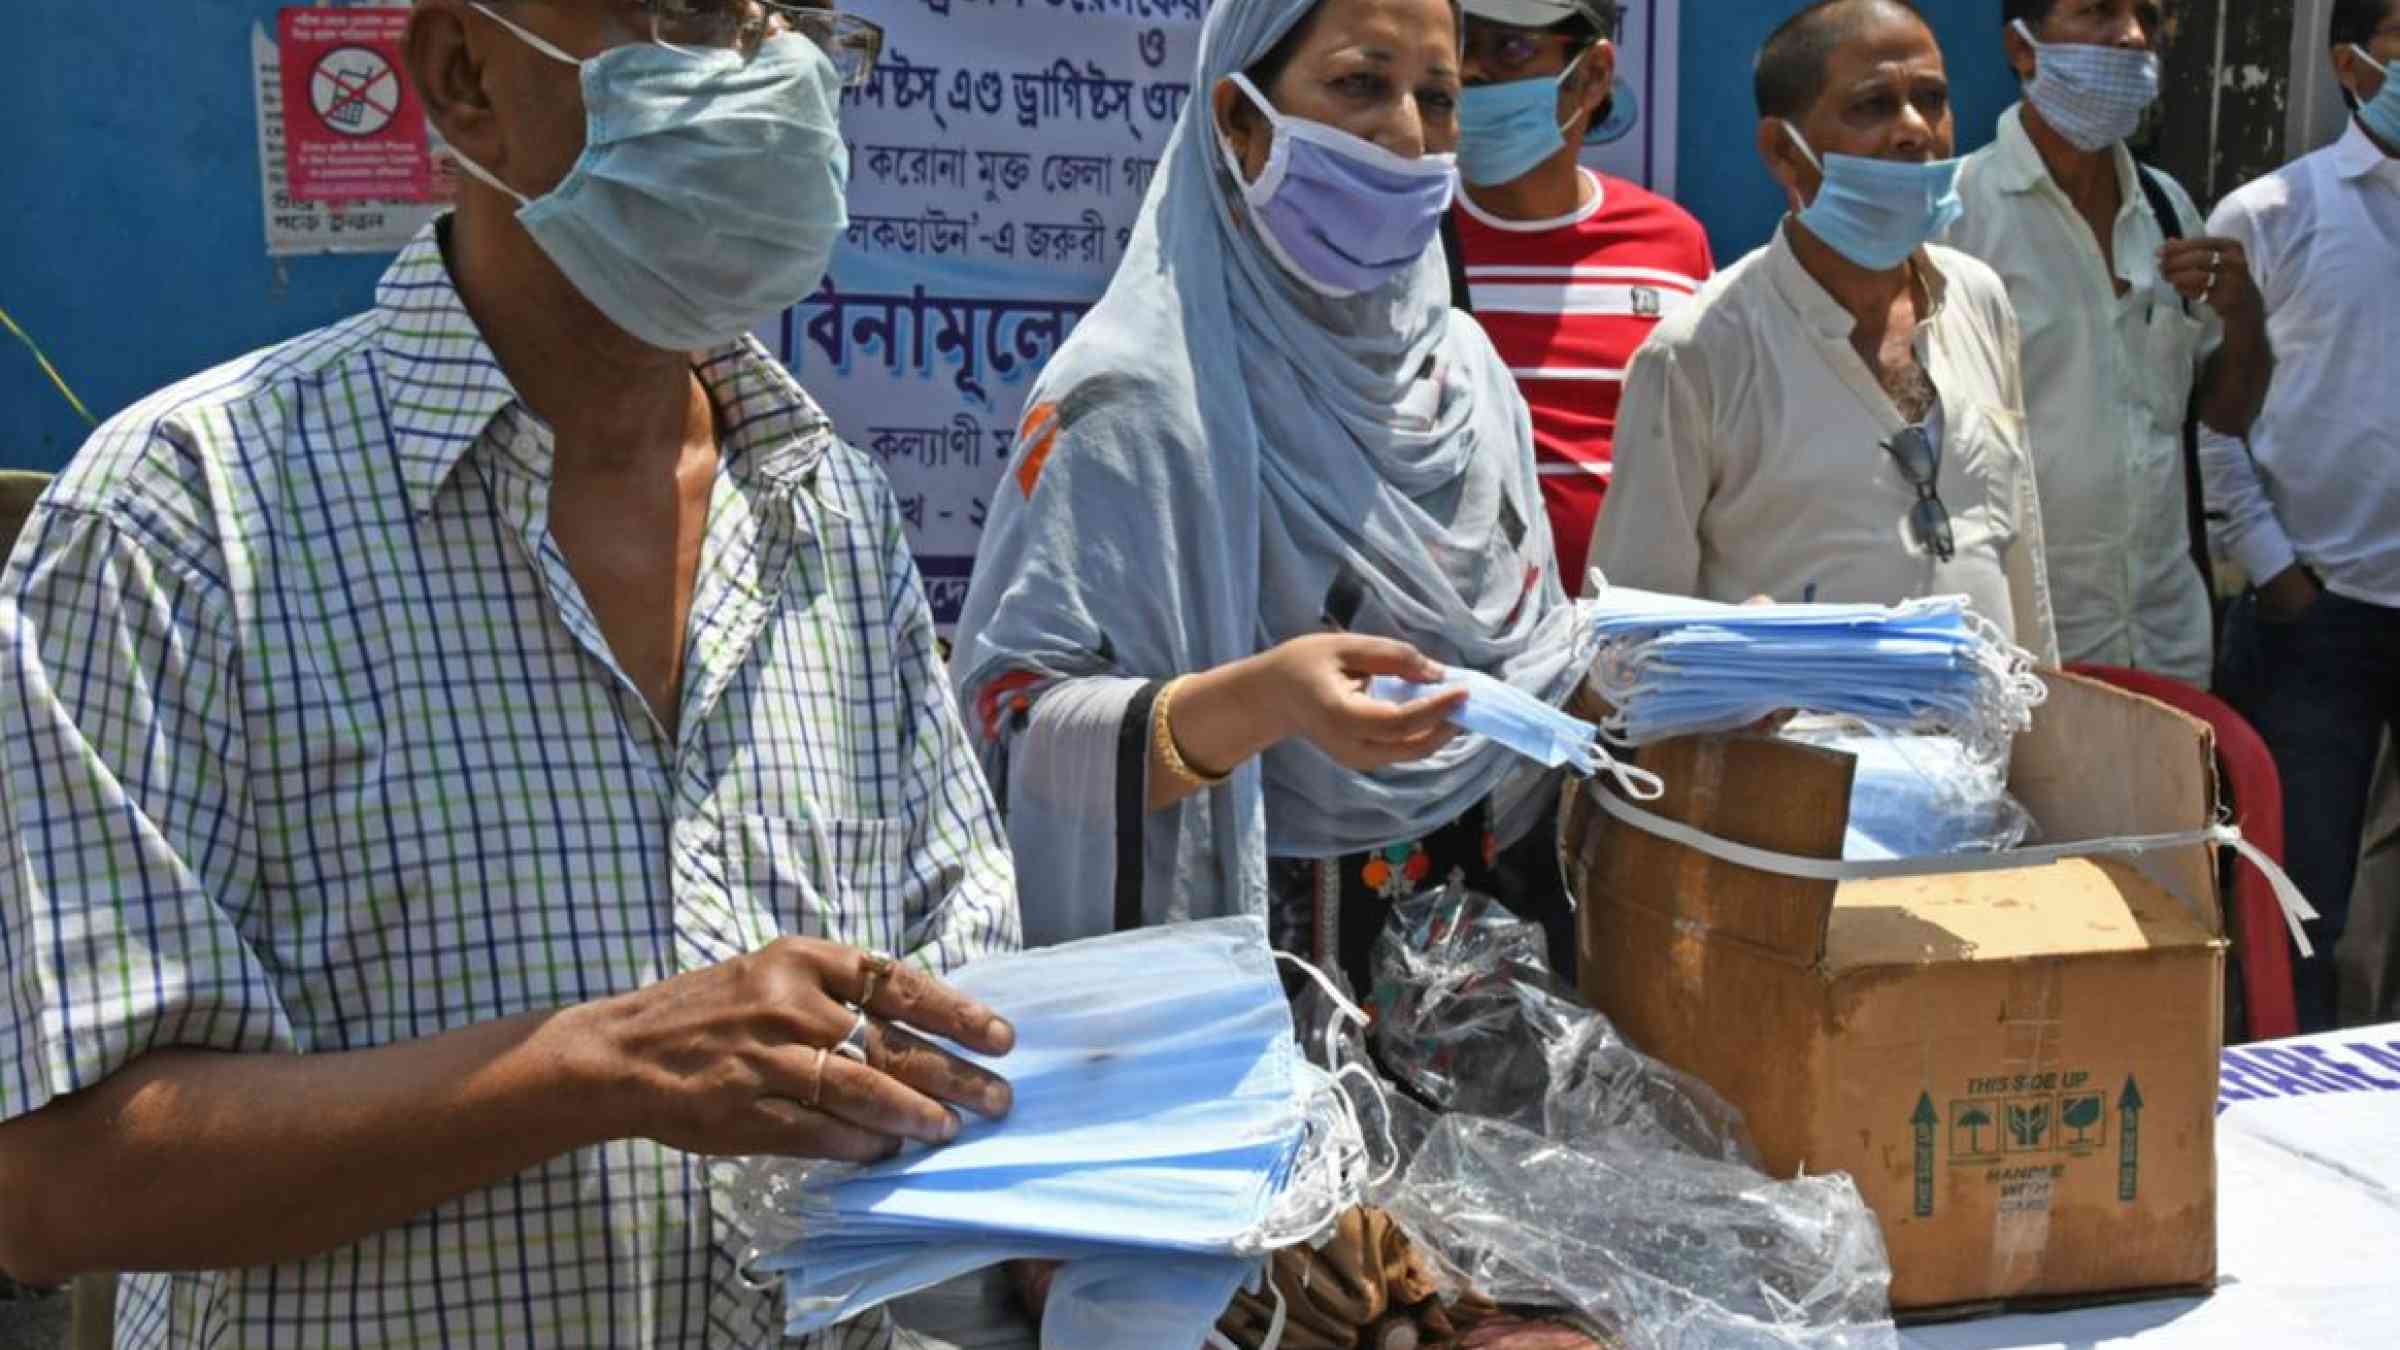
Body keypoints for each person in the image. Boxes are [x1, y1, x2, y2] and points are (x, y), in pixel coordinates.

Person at [0, 4, 1024, 1347]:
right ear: (466, 75)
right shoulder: (181, 518)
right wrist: (598, 1067)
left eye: (802, 21)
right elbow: (53, 1183)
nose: (770, 71)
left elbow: (967, 1013)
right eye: (689, 13)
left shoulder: (827, 508)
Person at [954, 0, 1592, 1010]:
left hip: (1476, 1010)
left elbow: (1529, 664)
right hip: (1241, 1027)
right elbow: (1011, 732)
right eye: (1358, 85)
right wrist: (1266, 702)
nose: (1408, 135)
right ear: (1239, 124)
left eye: (1438, 96)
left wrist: (1623, 681)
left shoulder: (1465, 379)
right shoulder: (1133, 401)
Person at [1586, 0, 2057, 665]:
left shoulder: (1977, 299)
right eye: (1873, 106)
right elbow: (1625, 643)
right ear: (1783, 151)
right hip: (1794, 765)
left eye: (1932, 99)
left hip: (1984, 759)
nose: (1916, 130)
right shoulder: (1696, 354)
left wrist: (2043, 740)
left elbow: (2019, 559)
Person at [1946, 0, 2272, 686]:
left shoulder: (2166, 208)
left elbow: (2221, 416)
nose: (2130, 35)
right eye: (2097, 10)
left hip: (2168, 639)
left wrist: (2244, 317)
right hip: (2023, 648)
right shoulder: (1958, 214)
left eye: (2147, 17)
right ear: (2022, 48)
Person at [2204, 0, 2400, 1031]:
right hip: (2315, 615)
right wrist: (2274, 568)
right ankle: (2293, 1102)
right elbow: (2208, 415)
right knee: (2297, 898)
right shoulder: (2271, 213)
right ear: (2353, 64)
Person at [1449, 0, 1714, 590]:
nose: (1471, 72)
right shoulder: (1409, 238)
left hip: (1628, 643)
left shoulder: (1673, 244)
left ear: (1591, 76)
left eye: (1510, 48)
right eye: (1461, 44)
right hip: (1456, 645)